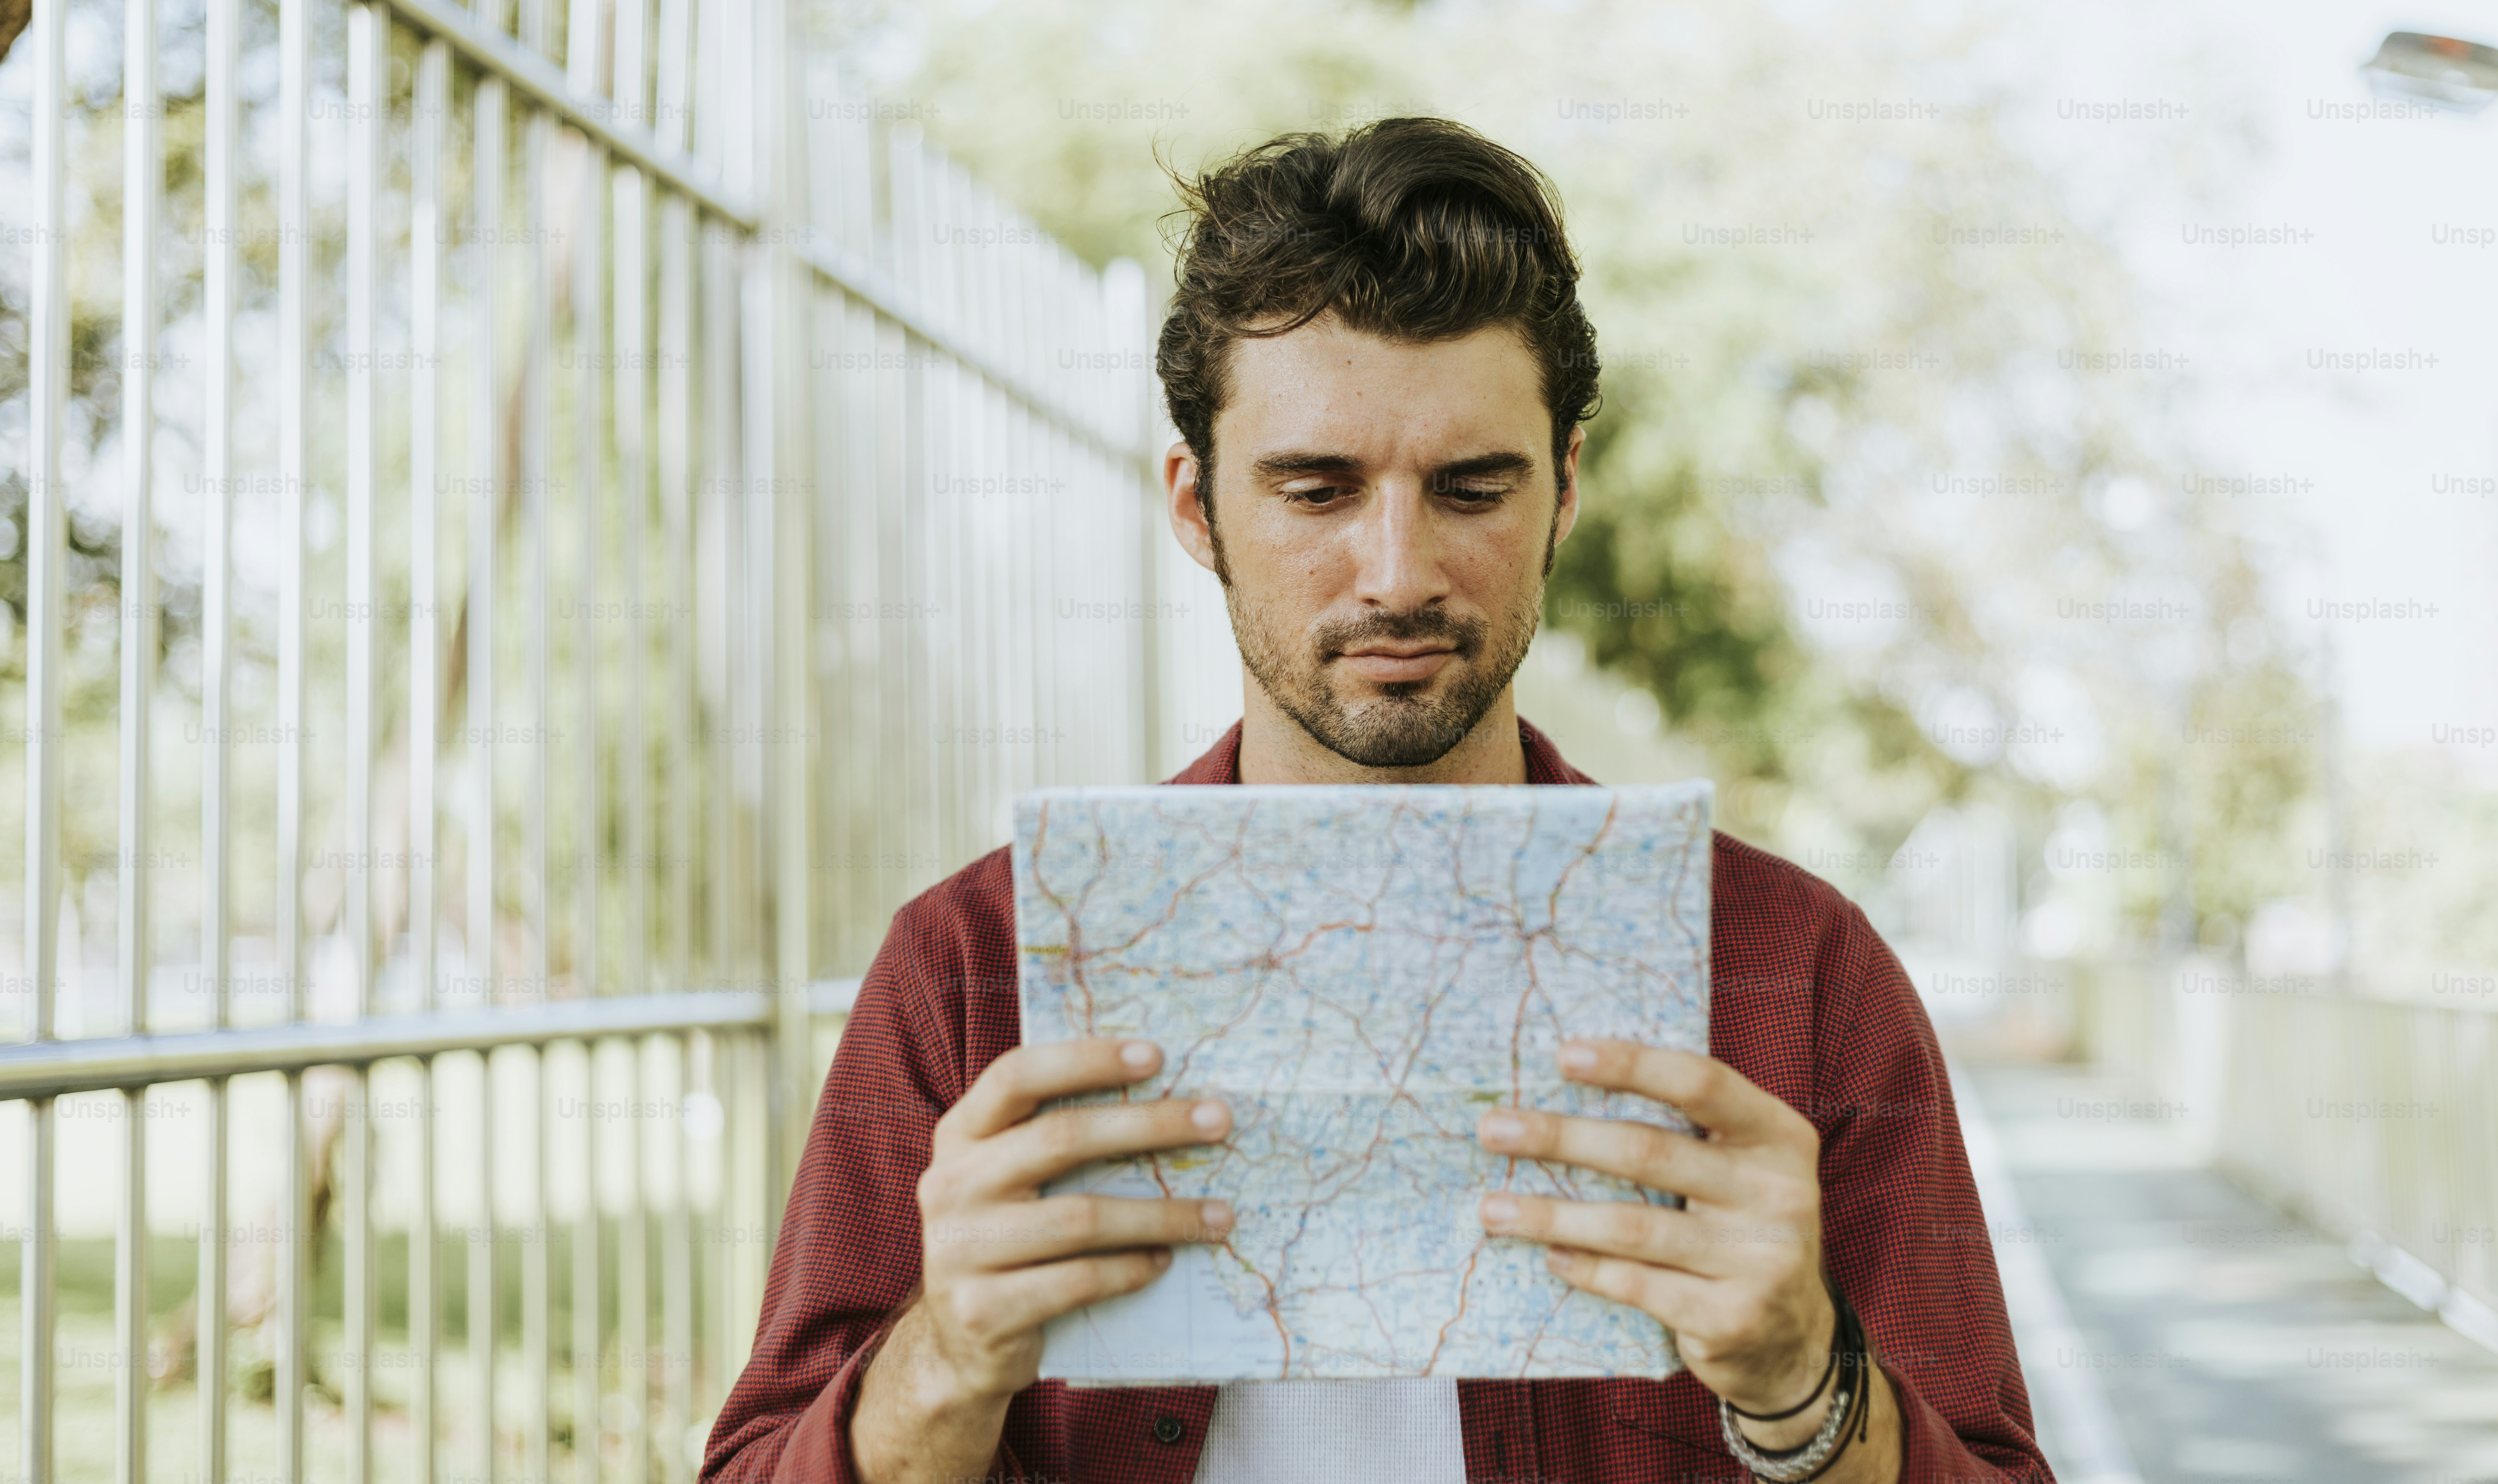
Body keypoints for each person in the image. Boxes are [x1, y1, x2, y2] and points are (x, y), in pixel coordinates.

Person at [702, 118, 2053, 1484]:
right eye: (1315, 489)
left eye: (1472, 489)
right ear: (1196, 505)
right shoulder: (976, 972)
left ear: (1567, 489)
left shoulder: (1792, 975)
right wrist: (946, 1360)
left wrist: (1803, 1387)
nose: (1398, 573)